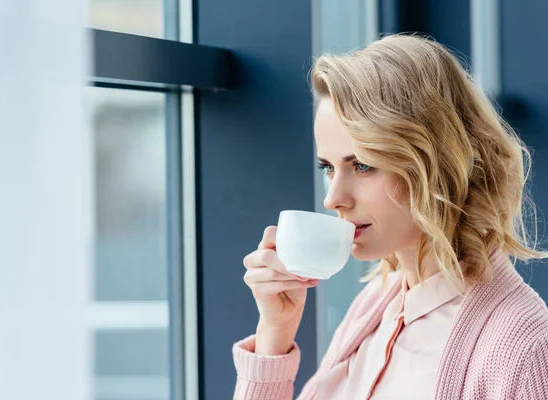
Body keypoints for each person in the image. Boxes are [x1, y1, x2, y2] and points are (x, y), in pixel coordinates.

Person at [232, 34, 548, 399]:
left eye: (363, 165)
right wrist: (275, 332)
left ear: (436, 165)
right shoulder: (375, 305)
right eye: (328, 168)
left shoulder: (524, 351)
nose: (334, 198)